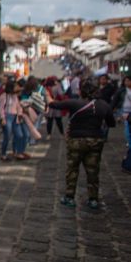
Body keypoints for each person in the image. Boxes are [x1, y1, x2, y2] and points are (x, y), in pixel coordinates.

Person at [49, 79, 115, 210]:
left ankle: (69, 197)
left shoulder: (74, 103)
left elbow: (54, 105)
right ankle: (93, 199)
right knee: (93, 170)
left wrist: (47, 96)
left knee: (72, 169)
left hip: (76, 140)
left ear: (81, 91)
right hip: (95, 141)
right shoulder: (104, 105)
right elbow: (111, 123)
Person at [0, 81, 26, 161]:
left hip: (15, 117)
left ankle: (17, 152)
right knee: (7, 136)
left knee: (19, 135)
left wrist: (19, 114)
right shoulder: (4, 96)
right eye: (15, 86)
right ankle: (3, 153)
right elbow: (1, 108)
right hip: (7, 116)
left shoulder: (15, 96)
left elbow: (18, 106)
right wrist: (2, 118)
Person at [111, 75, 131, 147]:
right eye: (126, 81)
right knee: (127, 126)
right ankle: (129, 142)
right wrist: (111, 109)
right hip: (125, 111)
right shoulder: (121, 90)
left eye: (129, 81)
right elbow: (115, 100)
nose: (127, 82)